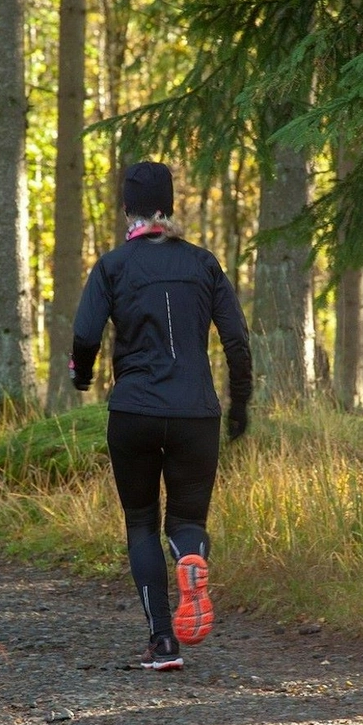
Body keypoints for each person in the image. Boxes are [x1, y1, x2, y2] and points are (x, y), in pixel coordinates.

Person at [69, 161, 252, 671]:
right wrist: (240, 403)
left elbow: (85, 336)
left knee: (141, 521)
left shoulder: (113, 265)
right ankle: (191, 556)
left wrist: (81, 375)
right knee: (188, 519)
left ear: (127, 208)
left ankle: (162, 641)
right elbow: (236, 340)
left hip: (134, 411)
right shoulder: (205, 263)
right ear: (168, 207)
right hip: (197, 412)